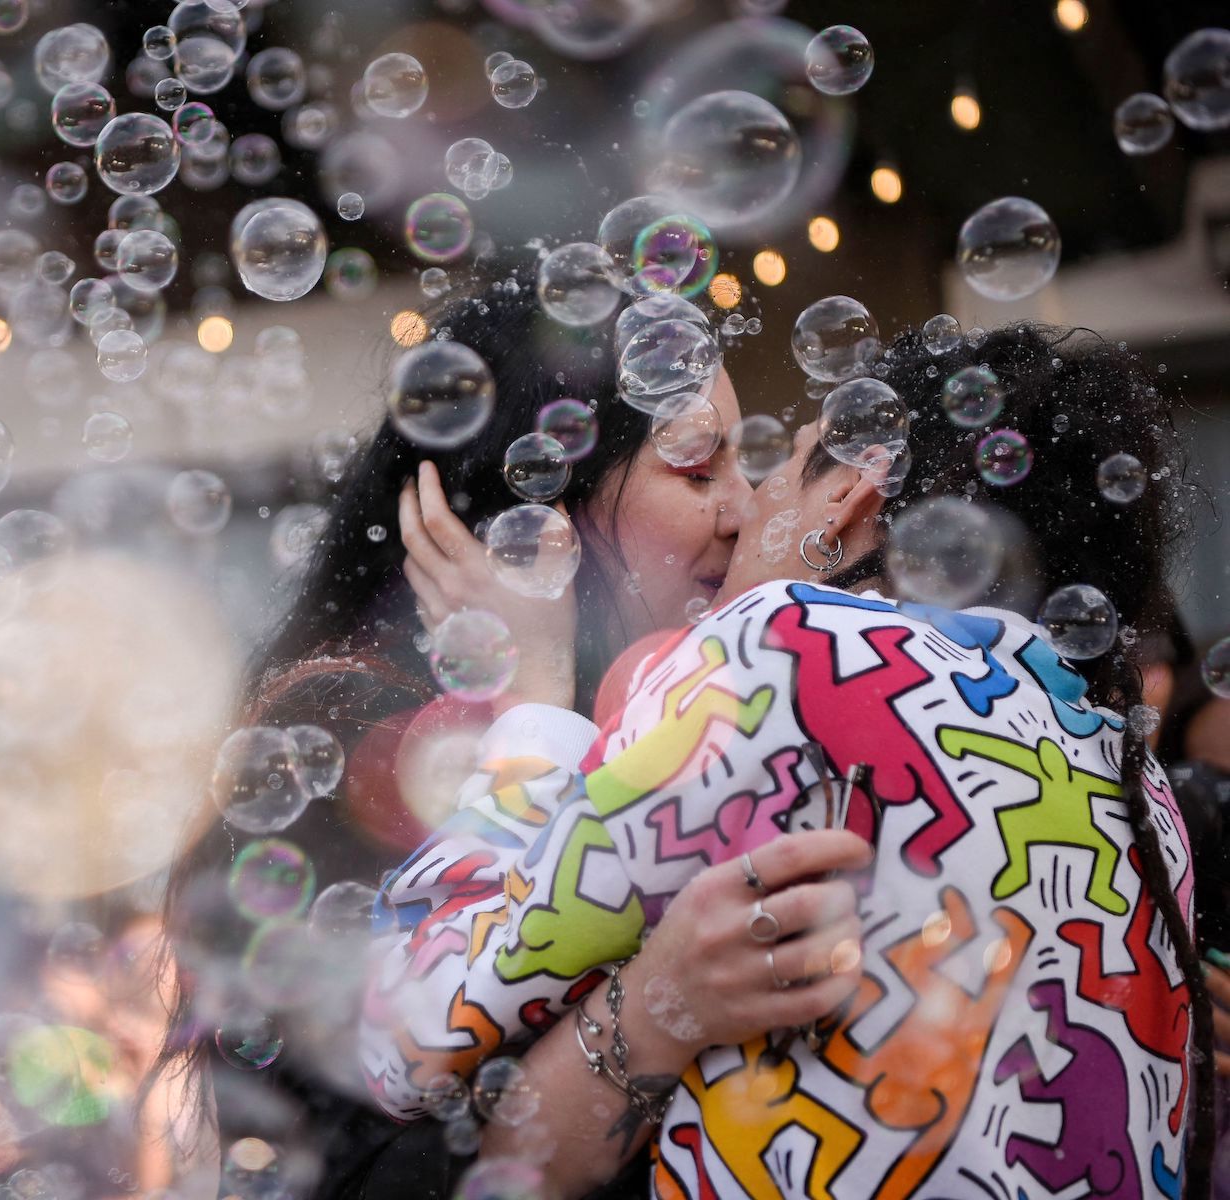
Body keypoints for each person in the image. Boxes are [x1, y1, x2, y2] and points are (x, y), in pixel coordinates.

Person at [365, 321, 1210, 1197]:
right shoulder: (1132, 773)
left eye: (777, 463)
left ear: (851, 493)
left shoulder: (788, 648)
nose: (743, 512)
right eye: (700, 469)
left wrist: (535, 702)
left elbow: (413, 1030)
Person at [154, 266, 868, 1199]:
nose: (743, 510)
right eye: (697, 468)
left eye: (747, 465)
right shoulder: (345, 736)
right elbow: (377, 1171)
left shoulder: (669, 711)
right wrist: (533, 686)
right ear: (538, 503)